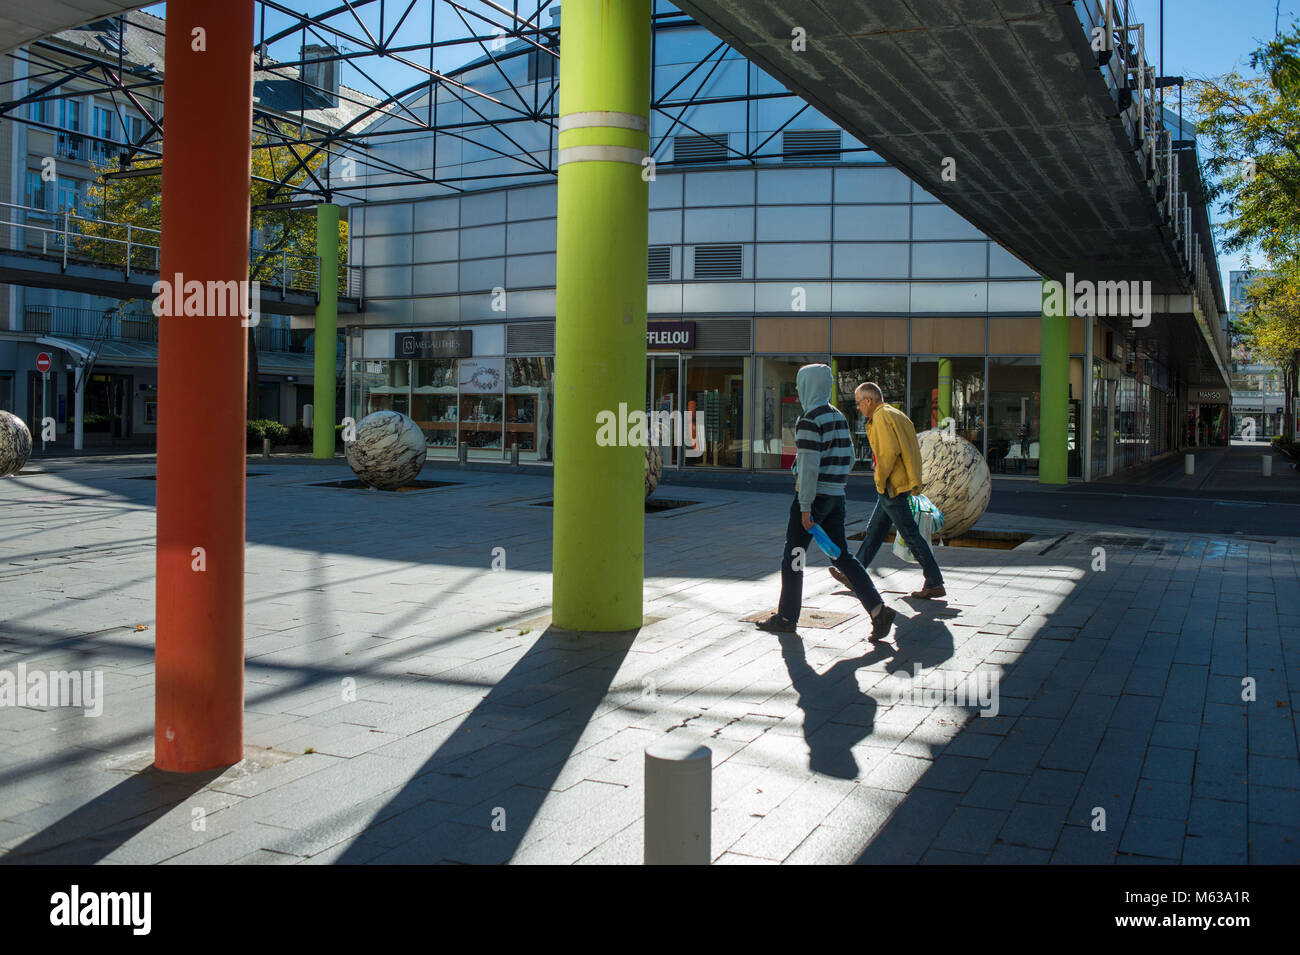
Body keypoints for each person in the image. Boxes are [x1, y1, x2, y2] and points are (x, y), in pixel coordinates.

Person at [755, 364, 897, 641]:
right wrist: (834, 484)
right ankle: (878, 610)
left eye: (800, 384)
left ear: (808, 386)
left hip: (813, 500)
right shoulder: (838, 416)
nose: (797, 390)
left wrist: (806, 506)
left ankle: (786, 616)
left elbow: (808, 467)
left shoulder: (809, 419)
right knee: (843, 556)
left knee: (794, 557)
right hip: (836, 497)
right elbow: (850, 458)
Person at [830, 382, 946, 599]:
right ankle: (856, 575)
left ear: (868, 401)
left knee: (910, 533)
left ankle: (934, 581)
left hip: (892, 485)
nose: (858, 408)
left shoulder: (882, 417)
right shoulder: (896, 414)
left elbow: (887, 454)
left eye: (858, 403)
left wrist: (880, 481)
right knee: (874, 531)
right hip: (899, 483)